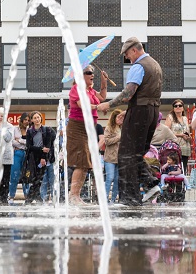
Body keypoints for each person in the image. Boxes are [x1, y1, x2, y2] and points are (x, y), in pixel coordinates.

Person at [97, 37, 163, 206]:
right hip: (152, 111)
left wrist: (109, 104)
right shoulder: (154, 64)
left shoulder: (138, 66)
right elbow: (146, 94)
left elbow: (129, 92)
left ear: (134, 49)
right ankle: (149, 184)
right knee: (135, 153)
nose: (127, 58)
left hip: (140, 113)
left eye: (127, 54)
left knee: (125, 154)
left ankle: (130, 197)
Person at [67, 65, 108, 205]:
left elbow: (102, 97)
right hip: (77, 127)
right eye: (89, 72)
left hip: (89, 128)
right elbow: (83, 105)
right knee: (81, 161)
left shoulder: (90, 90)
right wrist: (98, 107)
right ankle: (73, 195)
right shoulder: (76, 89)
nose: (92, 75)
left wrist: (104, 82)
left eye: (93, 73)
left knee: (86, 163)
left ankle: (76, 195)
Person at [24, 111, 55, 204]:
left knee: (39, 178)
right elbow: (29, 146)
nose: (37, 119)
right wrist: (41, 149)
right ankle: (36, 197)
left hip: (44, 158)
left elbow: (48, 146)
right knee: (34, 178)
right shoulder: (30, 131)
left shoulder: (47, 130)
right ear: (32, 120)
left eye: (38, 117)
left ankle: (31, 198)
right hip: (33, 157)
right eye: (35, 118)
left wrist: (43, 157)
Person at [8, 112, 31, 204]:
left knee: (27, 176)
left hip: (28, 154)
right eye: (25, 120)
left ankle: (27, 196)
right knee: (14, 175)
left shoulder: (31, 130)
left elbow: (30, 144)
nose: (27, 122)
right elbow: (12, 142)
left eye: (28, 120)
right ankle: (11, 196)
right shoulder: (15, 129)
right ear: (21, 120)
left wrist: (20, 141)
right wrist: (24, 143)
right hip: (17, 153)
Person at [101, 110, 123, 203]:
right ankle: (105, 199)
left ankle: (113, 199)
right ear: (114, 118)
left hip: (120, 157)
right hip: (110, 157)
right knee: (110, 178)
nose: (120, 119)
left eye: (122, 117)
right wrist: (119, 137)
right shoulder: (109, 128)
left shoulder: (124, 127)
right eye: (118, 117)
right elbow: (107, 141)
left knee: (117, 180)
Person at [164, 99, 191, 170]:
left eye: (180, 105)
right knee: (175, 167)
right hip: (175, 146)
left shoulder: (185, 118)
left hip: (185, 147)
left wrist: (188, 136)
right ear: (173, 108)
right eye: (175, 106)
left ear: (183, 107)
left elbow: (187, 130)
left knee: (183, 168)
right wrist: (180, 135)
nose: (178, 107)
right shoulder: (170, 117)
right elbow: (167, 131)